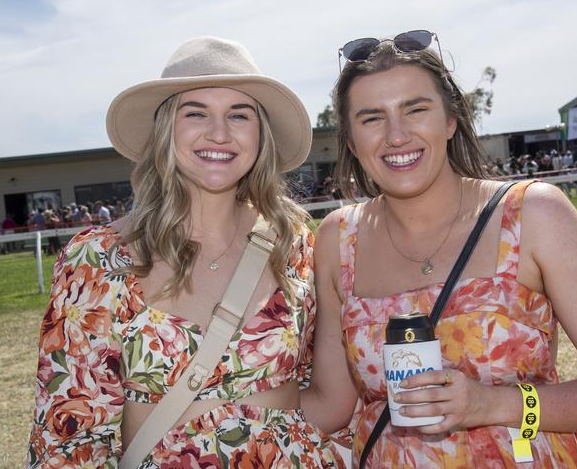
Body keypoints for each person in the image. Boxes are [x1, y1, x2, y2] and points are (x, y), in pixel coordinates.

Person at [27, 36, 345, 468]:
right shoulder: (99, 261)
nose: (219, 132)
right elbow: (68, 439)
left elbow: (325, 394)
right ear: (165, 130)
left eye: (239, 115)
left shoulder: (295, 246)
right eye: (195, 113)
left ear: (260, 135)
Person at [302, 31, 577, 467]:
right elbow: (331, 405)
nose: (396, 135)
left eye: (415, 110)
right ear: (350, 140)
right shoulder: (337, 239)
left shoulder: (533, 215)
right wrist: (207, 406)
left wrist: (495, 405)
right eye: (372, 118)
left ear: (451, 120)